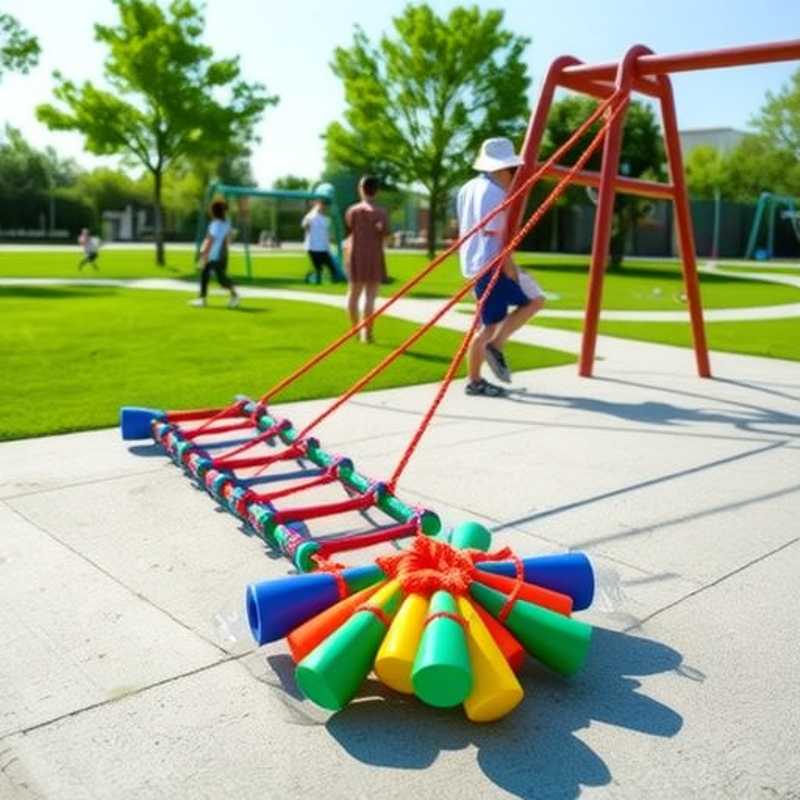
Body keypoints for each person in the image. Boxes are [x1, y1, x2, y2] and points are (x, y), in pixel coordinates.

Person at [456, 137, 545, 397]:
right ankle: (481, 369)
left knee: (530, 301)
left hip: (474, 263)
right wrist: (510, 268)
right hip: (491, 264)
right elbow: (495, 234)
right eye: (513, 170)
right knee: (492, 324)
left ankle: (489, 356)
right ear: (503, 168)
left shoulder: (468, 188)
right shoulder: (494, 193)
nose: (514, 176)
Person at [344, 175, 391, 343]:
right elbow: (386, 235)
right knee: (370, 296)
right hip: (374, 254)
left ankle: (355, 330)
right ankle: (368, 334)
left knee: (353, 294)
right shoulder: (381, 212)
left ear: (361, 189)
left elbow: (349, 231)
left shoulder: (352, 211)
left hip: (355, 253)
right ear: (376, 191)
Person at [191, 199, 240, 308]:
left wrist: (204, 255)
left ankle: (204, 299)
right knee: (213, 277)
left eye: (211, 209)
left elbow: (210, 240)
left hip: (212, 255)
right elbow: (228, 242)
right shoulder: (226, 224)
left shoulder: (214, 224)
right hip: (221, 255)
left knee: (212, 277)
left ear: (214, 211)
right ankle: (203, 299)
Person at [301, 198, 341, 284]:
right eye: (323, 204)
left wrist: (332, 240)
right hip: (313, 246)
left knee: (331, 266)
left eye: (325, 205)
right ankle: (316, 280)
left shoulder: (327, 218)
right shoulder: (310, 216)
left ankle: (334, 279)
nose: (324, 207)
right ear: (318, 204)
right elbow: (305, 227)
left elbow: (327, 232)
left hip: (323, 247)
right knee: (318, 267)